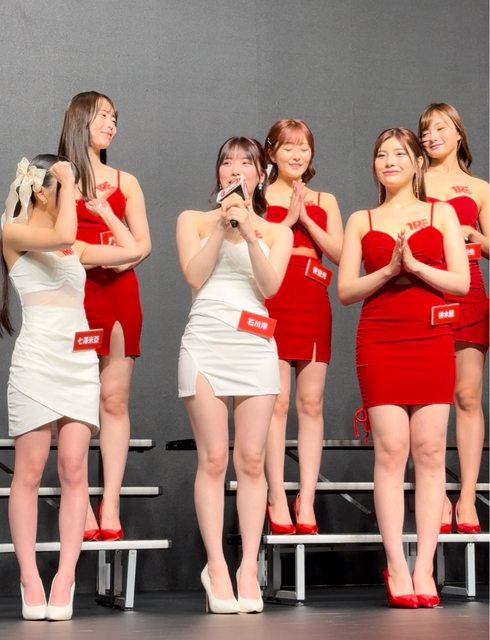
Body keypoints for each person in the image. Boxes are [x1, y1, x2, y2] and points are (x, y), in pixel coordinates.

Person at [1, 155, 141, 620]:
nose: (78, 193)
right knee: (29, 471)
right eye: (68, 185)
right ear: (43, 191)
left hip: (78, 365)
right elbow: (61, 234)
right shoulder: (14, 234)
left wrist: (104, 212)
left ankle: (65, 576)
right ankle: (29, 577)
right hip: (37, 363)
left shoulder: (75, 245)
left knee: (74, 467)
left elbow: (132, 249)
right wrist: (62, 180)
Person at [337, 128, 469, 608]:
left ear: (416, 163)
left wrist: (414, 265)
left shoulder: (441, 213)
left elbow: (460, 282)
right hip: (380, 338)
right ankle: (396, 564)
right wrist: (390, 270)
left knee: (430, 451)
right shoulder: (361, 219)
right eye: (381, 154)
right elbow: (346, 291)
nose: (388, 161)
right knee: (391, 450)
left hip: (431, 337)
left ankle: (425, 566)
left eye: (398, 153)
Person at [176, 137, 292, 613]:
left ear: (261, 174)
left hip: (254, 345)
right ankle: (216, 567)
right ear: (218, 172)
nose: (236, 168)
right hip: (205, 340)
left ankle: (247, 567)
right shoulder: (193, 220)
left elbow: (270, 286)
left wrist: (246, 230)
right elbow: (194, 275)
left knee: (251, 459)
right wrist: (223, 227)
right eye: (228, 161)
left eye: (247, 161)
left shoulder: (276, 231)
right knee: (212, 459)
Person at [58, 91, 151, 541]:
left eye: (115, 117)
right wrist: (101, 255)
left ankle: (109, 501)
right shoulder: (57, 177)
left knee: (114, 400)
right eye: (102, 116)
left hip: (119, 292)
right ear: (80, 120)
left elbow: (143, 245)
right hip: (73, 293)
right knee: (76, 400)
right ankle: (79, 500)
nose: (111, 124)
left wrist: (122, 258)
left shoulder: (125, 180)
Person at [263, 120, 343, 534]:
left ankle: (306, 497)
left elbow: (342, 253)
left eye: (304, 148)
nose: (297, 155)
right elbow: (251, 248)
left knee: (311, 403)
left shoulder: (325, 199)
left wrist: (306, 220)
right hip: (273, 298)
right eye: (288, 147)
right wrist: (286, 220)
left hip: (312, 299)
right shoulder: (258, 194)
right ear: (271, 151)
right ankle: (276, 494)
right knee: (276, 403)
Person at [418, 103, 488, 534]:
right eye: (425, 130)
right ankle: (436, 494)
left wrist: (476, 235)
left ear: (458, 133)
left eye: (440, 128)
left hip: (469, 290)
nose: (431, 136)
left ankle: (466, 495)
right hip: (425, 289)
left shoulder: (479, 187)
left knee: (467, 396)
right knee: (431, 398)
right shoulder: (414, 178)